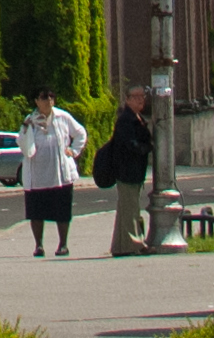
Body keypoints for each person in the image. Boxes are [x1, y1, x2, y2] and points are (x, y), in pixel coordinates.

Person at [17, 92, 89, 256]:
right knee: (36, 211)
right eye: (44, 98)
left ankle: (63, 244)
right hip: (37, 173)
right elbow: (21, 140)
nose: (48, 101)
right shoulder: (30, 120)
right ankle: (39, 245)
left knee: (62, 210)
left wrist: (74, 150)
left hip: (59, 173)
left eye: (51, 97)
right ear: (36, 101)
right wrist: (26, 135)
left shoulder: (63, 116)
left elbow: (80, 133)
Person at [97, 95, 158, 256]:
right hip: (127, 170)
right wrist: (147, 148)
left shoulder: (137, 118)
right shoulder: (126, 120)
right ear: (128, 100)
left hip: (133, 171)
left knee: (126, 209)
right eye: (136, 97)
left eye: (143, 97)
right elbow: (129, 144)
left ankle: (120, 246)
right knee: (130, 209)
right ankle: (134, 244)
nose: (141, 100)